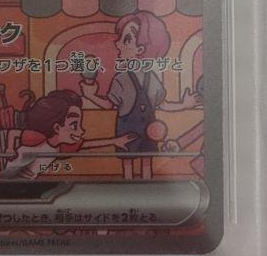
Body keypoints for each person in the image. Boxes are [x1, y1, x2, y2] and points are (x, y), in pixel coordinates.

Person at [79, 11, 199, 156]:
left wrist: (184, 105)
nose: (117, 43)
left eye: (126, 40)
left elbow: (161, 104)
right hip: (126, 130)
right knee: (129, 162)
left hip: (150, 130)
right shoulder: (122, 78)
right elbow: (111, 105)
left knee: (146, 160)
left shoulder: (143, 78)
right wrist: (90, 96)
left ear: (140, 49)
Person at [0, 89, 134, 179]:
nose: (81, 131)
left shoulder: (59, 148)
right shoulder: (36, 138)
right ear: (57, 127)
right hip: (11, 179)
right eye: (74, 125)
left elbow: (86, 144)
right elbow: (13, 133)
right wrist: (9, 148)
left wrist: (114, 141)